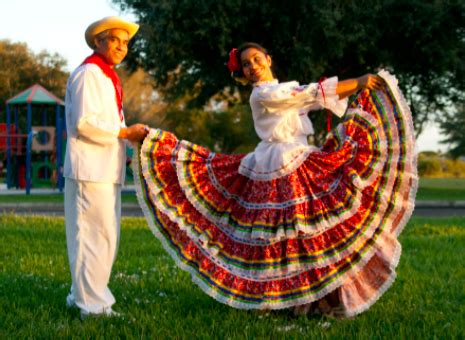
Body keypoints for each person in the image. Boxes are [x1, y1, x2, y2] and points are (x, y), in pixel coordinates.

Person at [133, 42, 417, 318]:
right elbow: (306, 95)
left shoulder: (281, 88)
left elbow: (310, 97)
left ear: (268, 59)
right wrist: (357, 82)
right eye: (246, 64)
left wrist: (357, 87)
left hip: (297, 155)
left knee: (309, 233)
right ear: (243, 73)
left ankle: (315, 299)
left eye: (257, 59)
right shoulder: (261, 95)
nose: (253, 66)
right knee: (285, 236)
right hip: (278, 162)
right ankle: (288, 300)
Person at [63, 16, 148, 319]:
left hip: (103, 168)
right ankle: (92, 307)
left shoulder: (106, 76)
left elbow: (109, 123)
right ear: (98, 41)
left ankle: (81, 296)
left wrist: (124, 149)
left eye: (125, 42)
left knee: (104, 236)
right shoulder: (89, 73)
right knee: (92, 236)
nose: (121, 47)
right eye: (114, 40)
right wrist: (125, 134)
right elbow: (85, 124)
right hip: (89, 169)